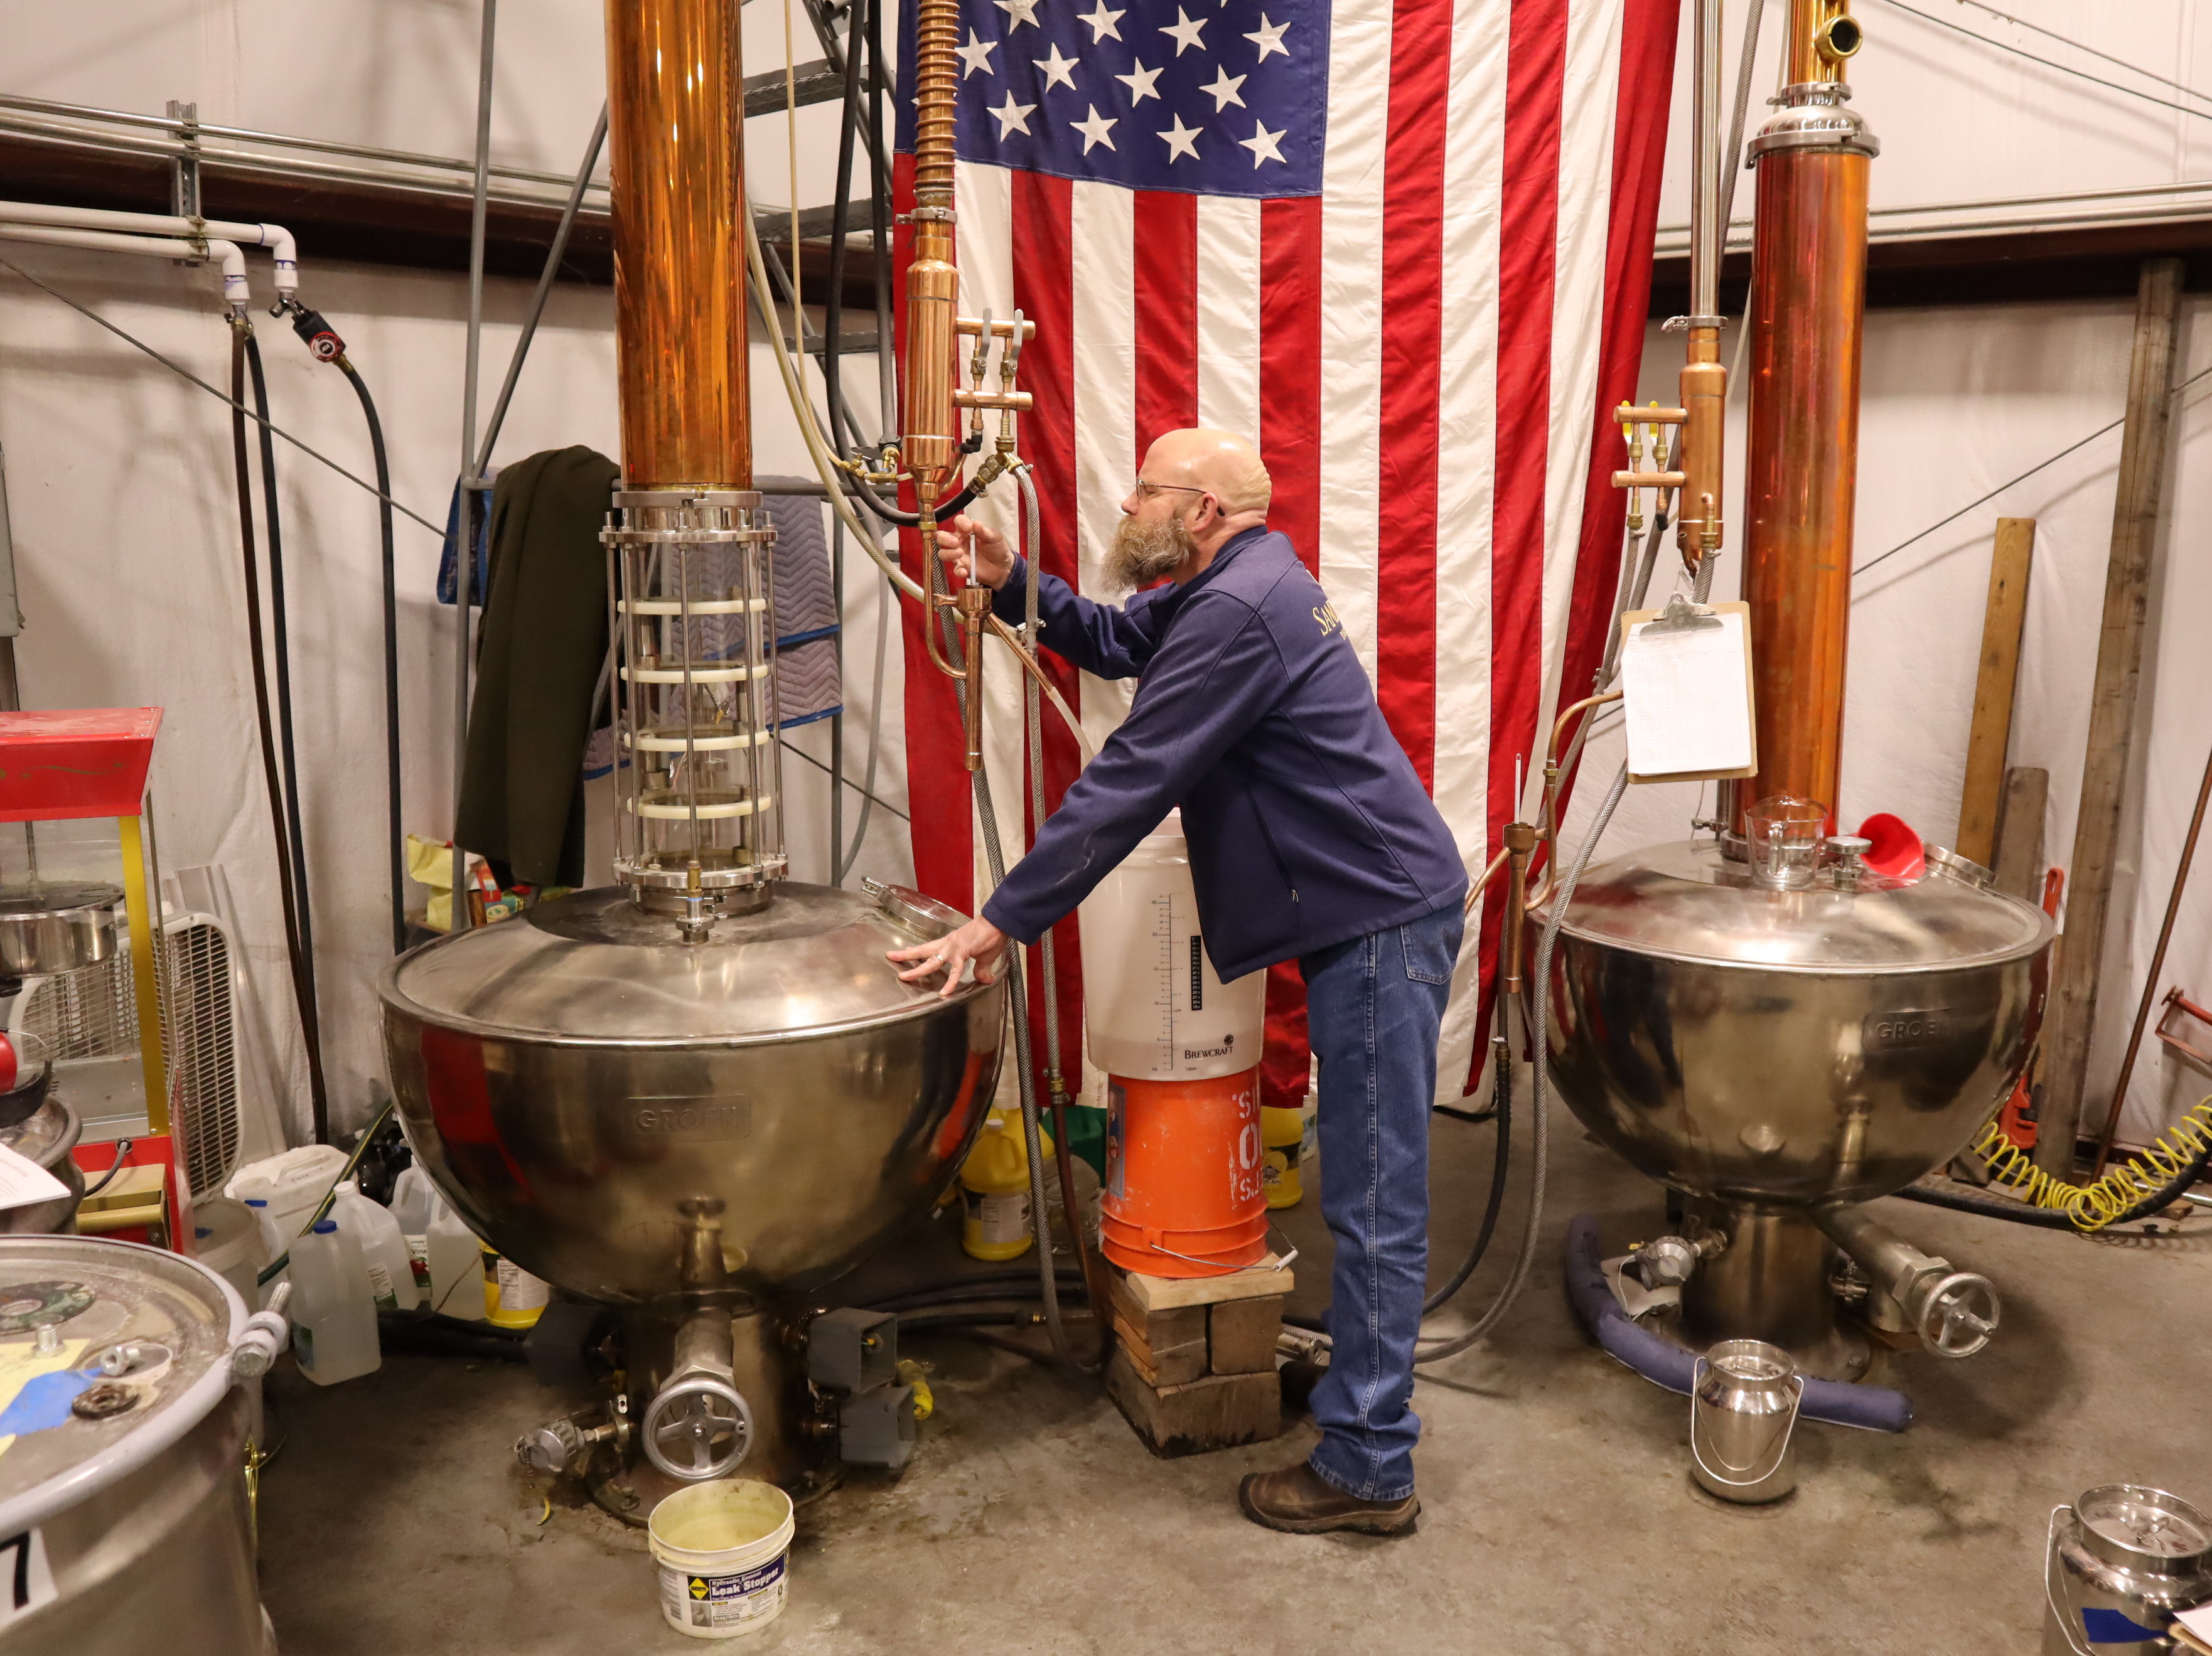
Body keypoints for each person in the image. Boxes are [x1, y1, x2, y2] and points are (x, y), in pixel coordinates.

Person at [886, 428, 1467, 1535]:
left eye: (1146, 489)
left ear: (1201, 510)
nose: (1127, 503)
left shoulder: (1240, 612)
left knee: (1374, 1194)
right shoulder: (1229, 585)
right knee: (1365, 1183)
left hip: (1384, 921)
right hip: (1368, 908)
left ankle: (1370, 1467)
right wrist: (1016, 587)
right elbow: (1110, 638)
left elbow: (1132, 778)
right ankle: (1360, 1395)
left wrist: (1001, 921)